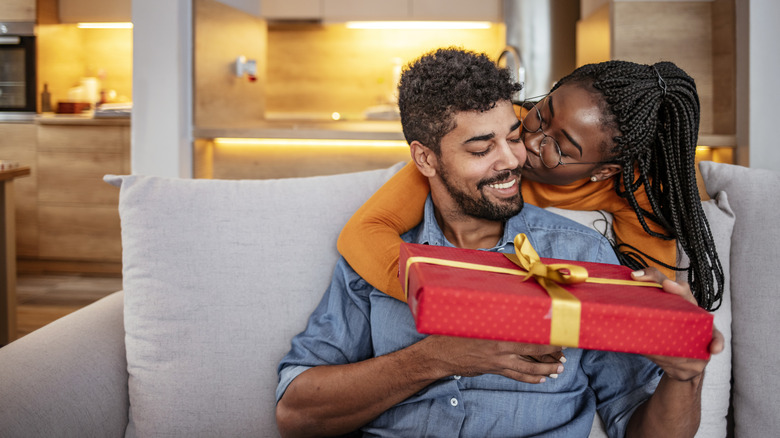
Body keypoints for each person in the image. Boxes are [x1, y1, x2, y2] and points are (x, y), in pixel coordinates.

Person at [276, 48, 722, 437]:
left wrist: (684, 374)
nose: (516, 156)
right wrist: (439, 355)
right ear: (426, 158)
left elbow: (636, 414)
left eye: (512, 135)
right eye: (480, 148)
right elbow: (295, 413)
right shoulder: (377, 254)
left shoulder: (586, 250)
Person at [337, 59, 724, 311]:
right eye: (542, 115)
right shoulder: (500, 132)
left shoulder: (635, 190)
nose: (527, 145)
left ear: (604, 172)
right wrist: (448, 297)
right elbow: (363, 233)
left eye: (560, 148)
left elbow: (644, 301)